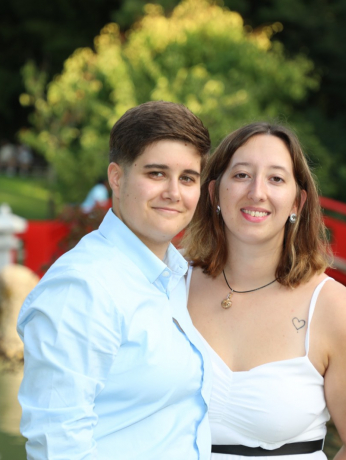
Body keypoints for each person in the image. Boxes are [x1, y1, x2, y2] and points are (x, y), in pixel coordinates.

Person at [183, 122, 346, 459]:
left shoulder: (333, 309)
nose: (256, 192)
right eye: (241, 175)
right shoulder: (170, 287)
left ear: (297, 203)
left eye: (276, 179)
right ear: (213, 193)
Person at [17, 101, 213, 460]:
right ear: (117, 177)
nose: (174, 192)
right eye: (156, 173)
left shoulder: (175, 276)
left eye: (188, 178)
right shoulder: (82, 287)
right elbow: (57, 445)